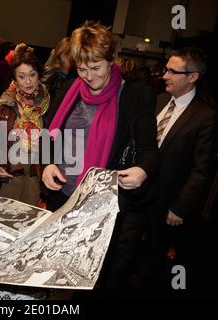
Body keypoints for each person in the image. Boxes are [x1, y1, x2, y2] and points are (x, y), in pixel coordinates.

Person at [41, 21, 159, 290]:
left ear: (112, 60)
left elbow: (149, 151)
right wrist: (47, 163)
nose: (89, 76)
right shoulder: (69, 89)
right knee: (51, 270)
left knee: (85, 278)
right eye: (82, 69)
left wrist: (143, 170)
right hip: (61, 196)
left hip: (100, 207)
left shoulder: (135, 97)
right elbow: (48, 134)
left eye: (96, 68)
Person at [142, 47, 218, 290]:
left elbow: (202, 169)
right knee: (128, 249)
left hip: (167, 202)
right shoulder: (159, 100)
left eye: (172, 71)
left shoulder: (206, 116)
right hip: (137, 193)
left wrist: (180, 207)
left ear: (193, 77)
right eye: (166, 69)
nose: (164, 75)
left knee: (153, 260)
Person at [0, 44, 50, 205]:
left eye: (32, 75)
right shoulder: (4, 104)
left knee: (29, 221)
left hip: (36, 174)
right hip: (10, 173)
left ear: (39, 75)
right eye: (22, 76)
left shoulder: (50, 104)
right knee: (4, 219)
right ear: (14, 78)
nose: (28, 81)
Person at [41, 37, 76, 126]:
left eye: (72, 55)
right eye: (67, 54)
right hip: (47, 120)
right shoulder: (52, 71)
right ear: (60, 55)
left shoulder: (74, 76)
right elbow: (42, 97)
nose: (70, 58)